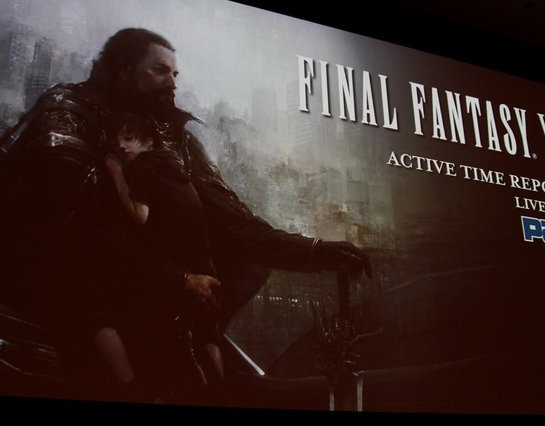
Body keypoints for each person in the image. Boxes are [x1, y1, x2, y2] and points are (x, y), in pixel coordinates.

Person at [0, 28, 371, 401]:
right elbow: (73, 232)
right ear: (123, 70)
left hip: (145, 284)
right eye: (160, 70)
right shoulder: (67, 113)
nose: (172, 83)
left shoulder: (168, 134)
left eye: (175, 73)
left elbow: (232, 223)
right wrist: (178, 280)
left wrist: (316, 252)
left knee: (248, 265)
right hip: (65, 283)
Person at [96, 112, 225, 398]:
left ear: (149, 141)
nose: (123, 147)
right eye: (118, 142)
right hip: (204, 264)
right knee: (207, 333)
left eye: (129, 138)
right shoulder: (173, 165)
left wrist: (117, 174)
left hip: (180, 270)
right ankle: (218, 393)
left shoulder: (142, 166)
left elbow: (140, 215)